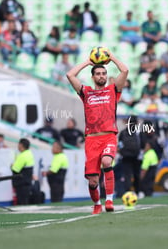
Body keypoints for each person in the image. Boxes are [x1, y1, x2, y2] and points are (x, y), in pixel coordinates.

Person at [66, 49, 128, 214]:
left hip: (109, 136)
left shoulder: (113, 90)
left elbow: (125, 70)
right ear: (93, 77)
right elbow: (70, 75)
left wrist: (111, 58)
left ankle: (109, 200)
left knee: (107, 162)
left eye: (104, 73)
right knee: (93, 181)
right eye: (98, 73)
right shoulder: (86, 92)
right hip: (92, 140)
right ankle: (97, 203)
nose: (101, 76)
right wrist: (88, 62)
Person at [118, 116, 142, 194]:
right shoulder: (138, 132)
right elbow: (142, 144)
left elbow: (120, 145)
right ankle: (137, 191)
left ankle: (127, 192)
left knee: (127, 175)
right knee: (136, 175)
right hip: (136, 157)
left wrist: (121, 152)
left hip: (125, 157)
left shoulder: (123, 133)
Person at [11, 138, 35, 205]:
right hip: (27, 182)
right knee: (25, 201)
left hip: (21, 183)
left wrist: (12, 166)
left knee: (21, 202)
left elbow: (15, 169)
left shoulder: (22, 155)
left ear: (21, 145)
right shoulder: (29, 153)